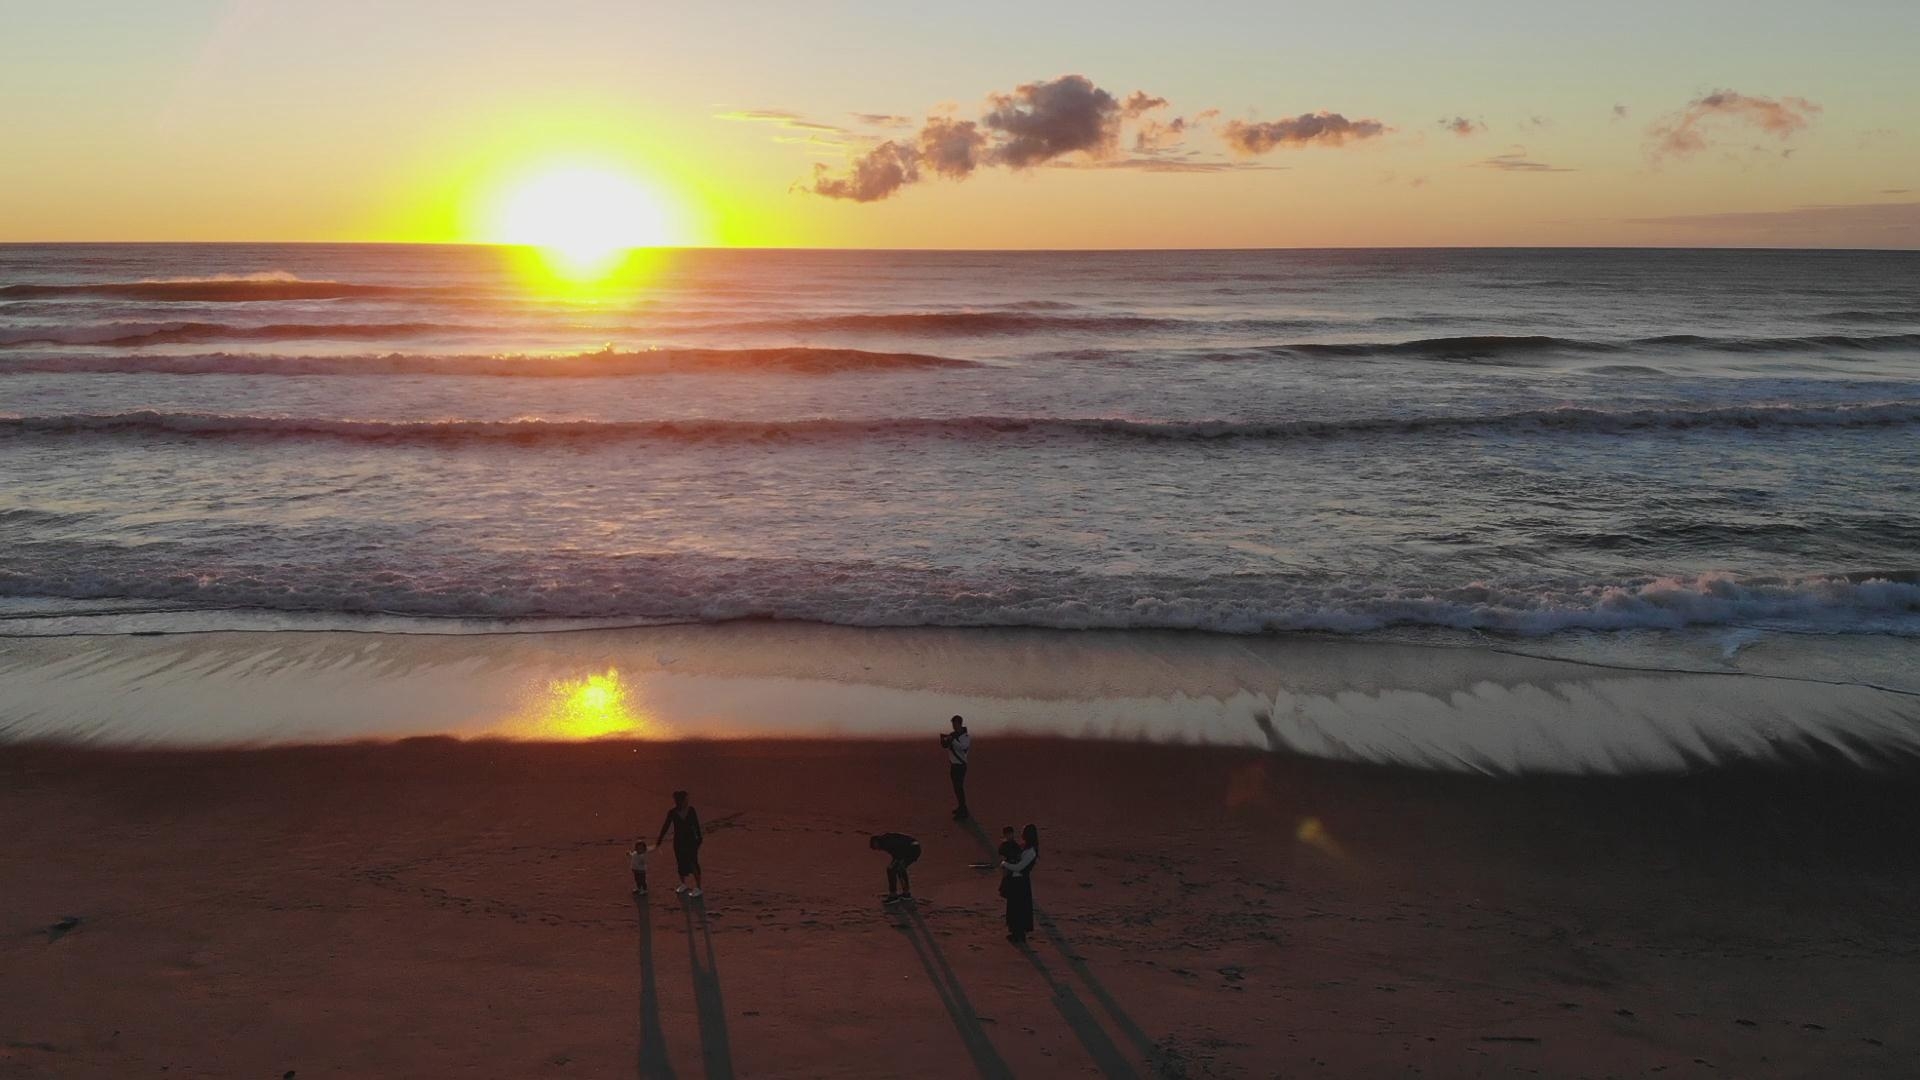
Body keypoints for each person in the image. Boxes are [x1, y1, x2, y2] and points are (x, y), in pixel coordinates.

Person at [656, 790, 704, 898]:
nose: (687, 801)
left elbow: (696, 825)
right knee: (680, 862)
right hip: (678, 841)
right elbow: (666, 826)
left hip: (691, 841)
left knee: (693, 862)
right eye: (685, 799)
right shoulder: (672, 813)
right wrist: (659, 840)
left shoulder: (691, 810)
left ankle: (699, 887)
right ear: (680, 801)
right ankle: (683, 884)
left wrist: (700, 838)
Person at [1001, 823, 1039, 945]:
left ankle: (1018, 934)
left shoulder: (1030, 851)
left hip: (1020, 882)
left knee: (1018, 908)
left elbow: (1019, 867)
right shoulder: (1026, 848)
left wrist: (1005, 864)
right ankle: (1016, 934)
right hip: (1018, 881)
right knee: (1016, 908)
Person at [870, 832, 922, 903]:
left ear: (876, 842)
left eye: (876, 847)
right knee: (899, 869)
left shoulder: (886, 842)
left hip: (910, 850)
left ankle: (894, 895)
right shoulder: (886, 839)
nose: (878, 849)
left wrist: (896, 862)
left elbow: (898, 852)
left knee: (892, 870)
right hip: (913, 848)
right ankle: (905, 893)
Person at [940, 715, 971, 820]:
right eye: (952, 724)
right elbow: (945, 746)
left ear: (959, 724)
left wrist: (952, 740)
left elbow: (963, 748)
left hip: (961, 766)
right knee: (956, 788)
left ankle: (963, 811)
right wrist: (944, 740)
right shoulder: (954, 735)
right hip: (954, 765)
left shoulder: (965, 736)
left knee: (959, 788)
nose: (953, 726)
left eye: (955, 724)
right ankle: (961, 807)